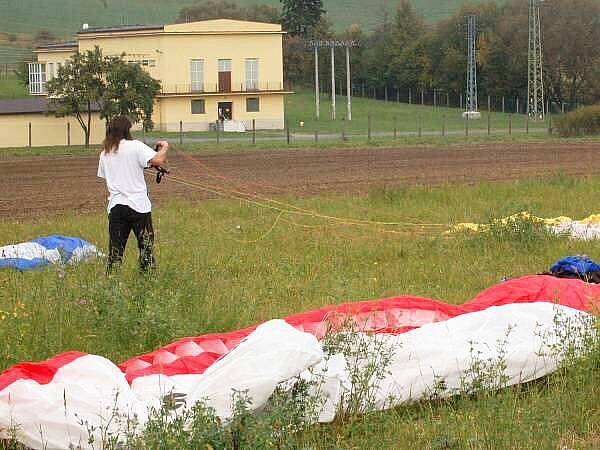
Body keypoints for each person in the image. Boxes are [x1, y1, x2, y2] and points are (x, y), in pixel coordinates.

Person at [97, 115, 169, 272]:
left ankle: (112, 282)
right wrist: (164, 147)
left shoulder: (105, 153)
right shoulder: (135, 146)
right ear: (126, 130)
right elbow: (157, 160)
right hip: (139, 207)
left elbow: (108, 176)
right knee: (146, 248)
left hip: (116, 208)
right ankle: (147, 279)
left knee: (115, 252)